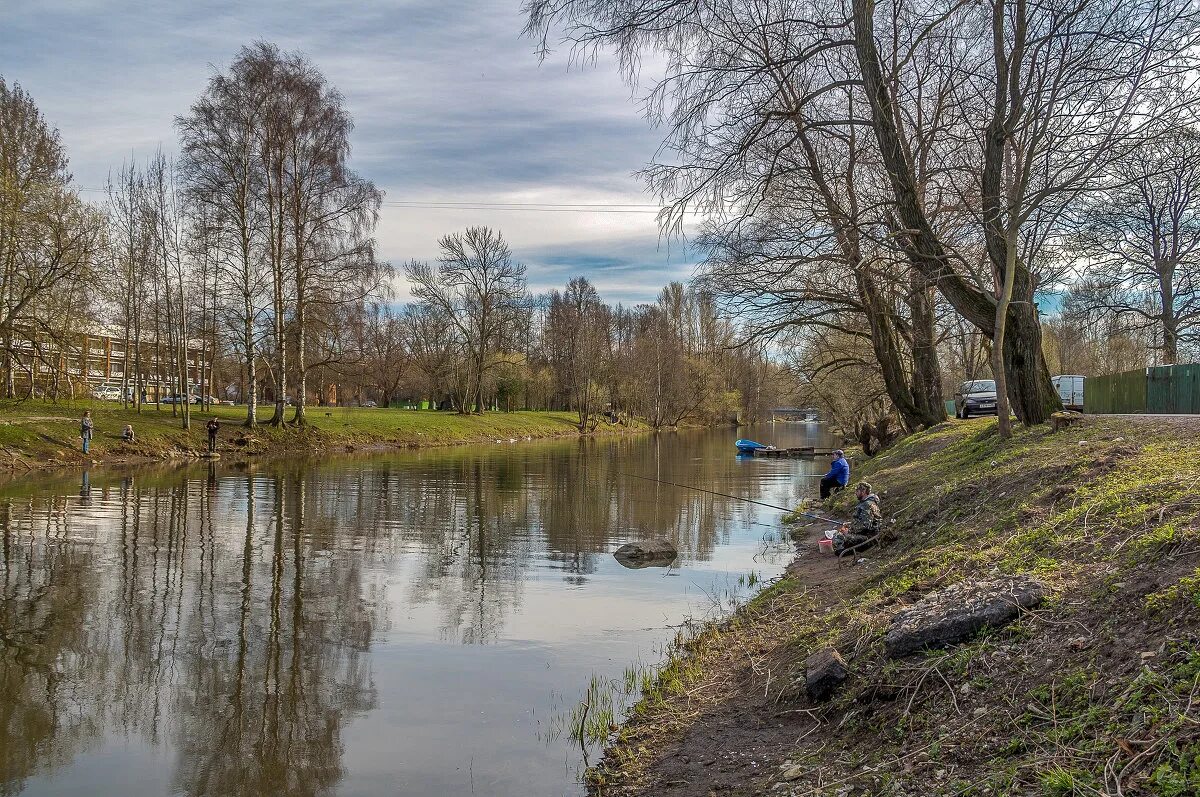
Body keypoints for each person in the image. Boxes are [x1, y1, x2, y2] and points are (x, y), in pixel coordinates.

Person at [833, 482, 882, 556]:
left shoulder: (867, 505)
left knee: (839, 536)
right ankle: (846, 548)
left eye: (857, 491)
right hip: (865, 534)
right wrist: (850, 525)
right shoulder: (866, 503)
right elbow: (862, 521)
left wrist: (849, 530)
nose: (856, 493)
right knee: (839, 534)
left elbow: (865, 526)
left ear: (863, 491)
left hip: (869, 538)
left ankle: (844, 552)